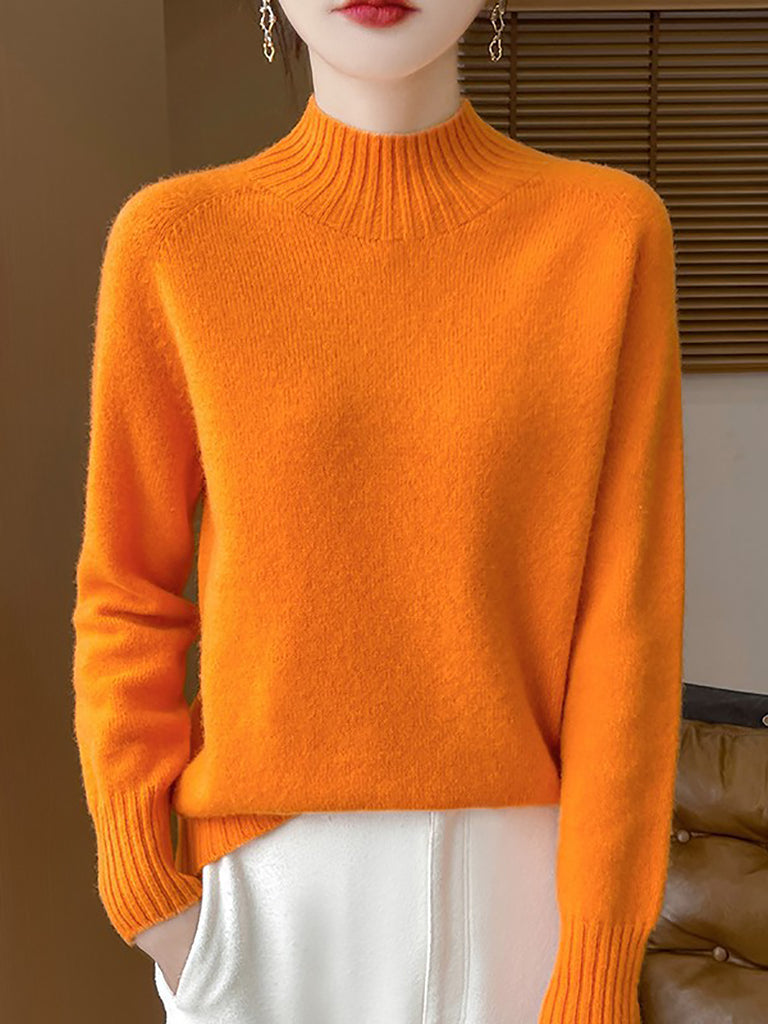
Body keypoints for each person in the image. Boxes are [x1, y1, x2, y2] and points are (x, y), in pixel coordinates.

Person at [70, 0, 686, 1021]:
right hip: (265, 905)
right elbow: (126, 589)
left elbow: (629, 624)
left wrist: (598, 953)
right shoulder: (176, 243)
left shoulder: (607, 232)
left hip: (526, 896)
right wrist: (151, 894)